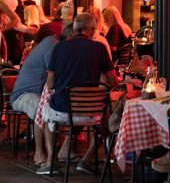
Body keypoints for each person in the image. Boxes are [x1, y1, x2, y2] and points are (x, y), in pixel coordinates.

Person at [42, 11, 118, 174]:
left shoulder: (59, 47)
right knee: (109, 120)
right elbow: (112, 82)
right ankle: (86, 159)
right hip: (91, 113)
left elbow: (50, 84)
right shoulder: (99, 48)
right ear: (91, 31)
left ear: (75, 29)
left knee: (45, 114)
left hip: (62, 111)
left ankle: (50, 162)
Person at [13, 18, 71, 171]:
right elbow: (54, 72)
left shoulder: (56, 44)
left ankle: (64, 150)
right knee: (43, 108)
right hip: (23, 94)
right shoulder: (52, 44)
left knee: (71, 106)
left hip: (41, 92)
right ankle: (39, 153)